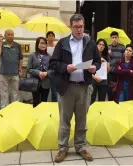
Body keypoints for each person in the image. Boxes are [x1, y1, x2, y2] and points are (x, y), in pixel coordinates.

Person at [49, 14, 101, 163]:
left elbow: (97, 61)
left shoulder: (90, 43)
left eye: (81, 27)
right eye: (76, 27)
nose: (79, 30)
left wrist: (94, 68)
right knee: (65, 120)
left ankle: (80, 147)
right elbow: (53, 64)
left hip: (84, 87)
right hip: (67, 87)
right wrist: (66, 67)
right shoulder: (62, 43)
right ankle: (62, 148)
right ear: (71, 27)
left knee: (82, 120)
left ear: (84, 27)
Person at [0, 29, 23, 109]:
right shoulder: (2, 44)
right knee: (4, 93)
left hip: (15, 73)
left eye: (12, 34)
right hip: (4, 73)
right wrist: (0, 43)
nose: (10, 36)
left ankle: (14, 109)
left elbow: (20, 59)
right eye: (8, 34)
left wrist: (20, 70)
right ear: (5, 35)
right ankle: (4, 109)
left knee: (15, 93)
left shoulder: (17, 45)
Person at [27, 37, 52, 107]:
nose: (43, 45)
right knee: (36, 102)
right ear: (37, 44)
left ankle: (42, 117)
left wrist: (47, 73)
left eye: (44, 43)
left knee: (44, 102)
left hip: (46, 83)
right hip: (34, 82)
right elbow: (29, 69)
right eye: (41, 43)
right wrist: (39, 73)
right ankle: (35, 117)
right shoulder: (32, 55)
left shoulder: (49, 57)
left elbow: (52, 69)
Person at [91, 39, 110, 104]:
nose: (101, 46)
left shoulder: (107, 56)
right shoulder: (91, 55)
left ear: (105, 47)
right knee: (91, 99)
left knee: (102, 101)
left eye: (103, 45)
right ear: (96, 45)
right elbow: (88, 69)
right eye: (99, 44)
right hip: (93, 80)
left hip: (103, 81)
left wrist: (105, 62)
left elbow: (108, 70)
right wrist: (94, 77)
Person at [107, 31, 125, 101]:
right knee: (110, 91)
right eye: (113, 38)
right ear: (110, 38)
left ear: (118, 38)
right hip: (110, 72)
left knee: (119, 90)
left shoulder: (122, 47)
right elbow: (105, 59)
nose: (114, 39)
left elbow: (124, 59)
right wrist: (109, 55)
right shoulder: (108, 47)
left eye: (115, 37)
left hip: (119, 72)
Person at [46, 31, 58, 102]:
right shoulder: (44, 46)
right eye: (49, 36)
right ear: (47, 38)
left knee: (54, 91)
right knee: (45, 89)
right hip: (45, 70)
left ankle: (54, 104)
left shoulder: (56, 46)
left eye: (52, 36)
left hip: (54, 70)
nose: (51, 37)